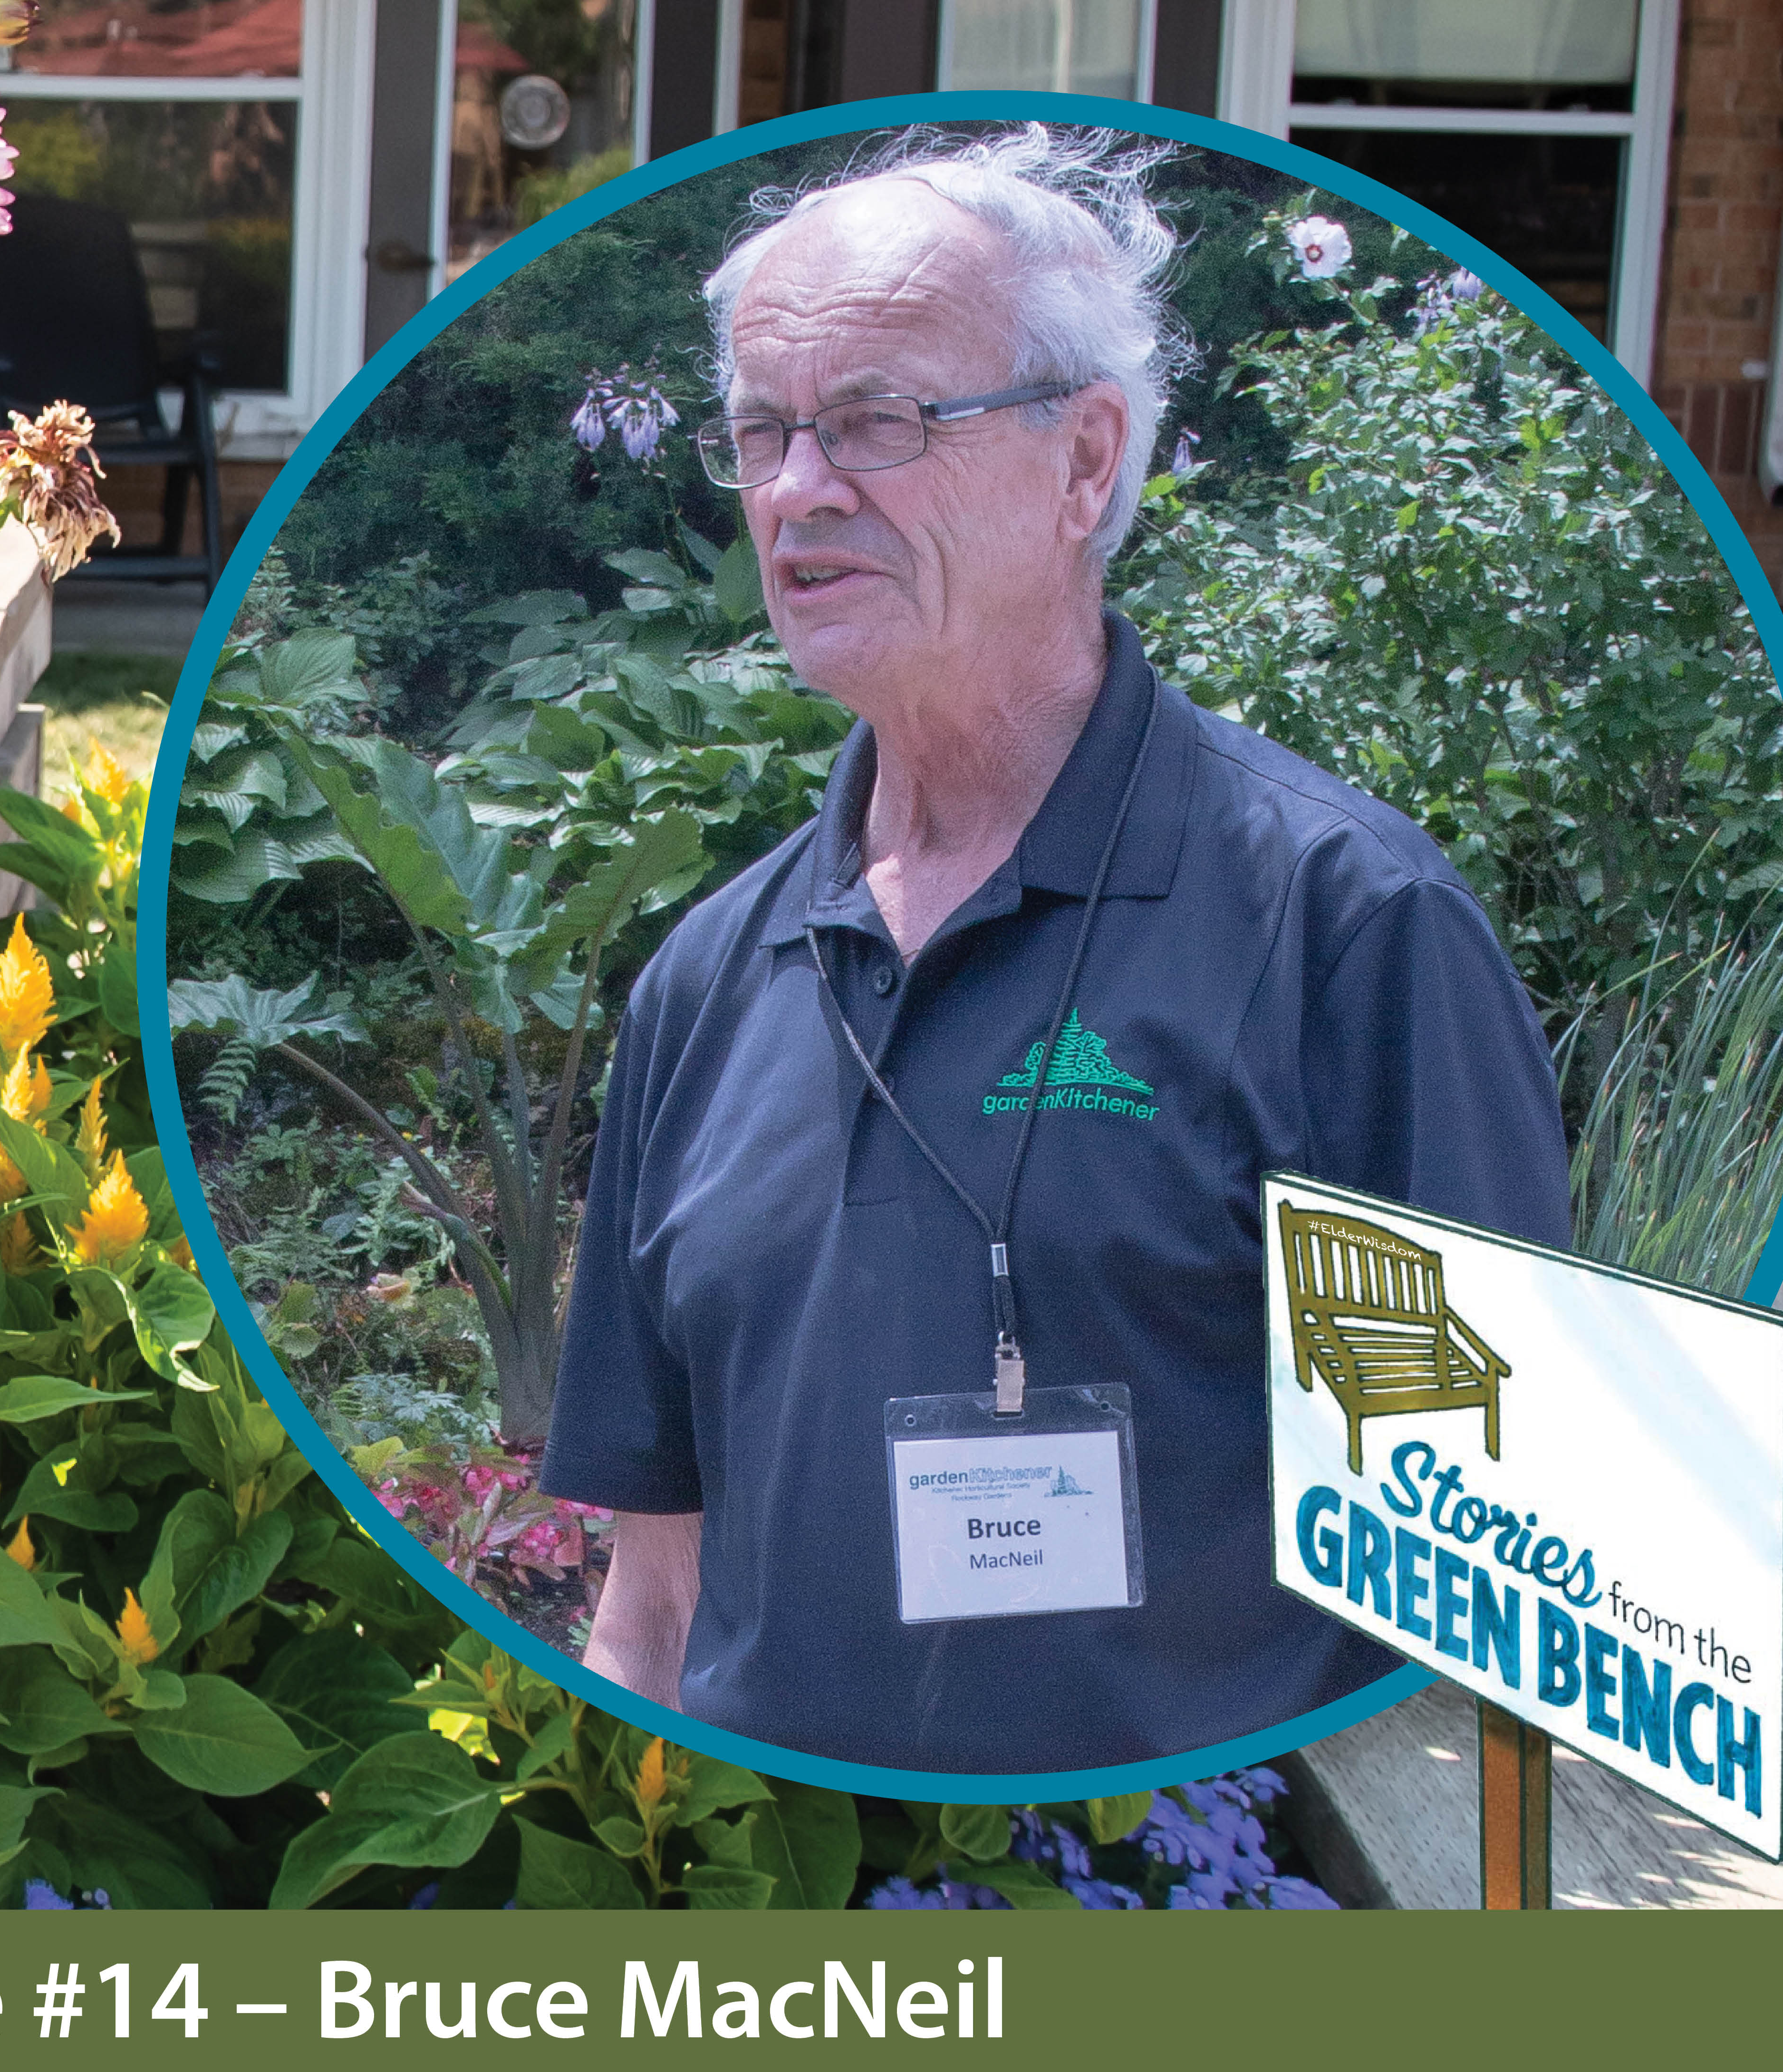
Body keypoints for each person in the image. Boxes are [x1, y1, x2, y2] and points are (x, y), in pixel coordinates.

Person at [538, 128, 1571, 1774]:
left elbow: (1504, 1592)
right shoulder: (708, 979)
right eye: (763, 433)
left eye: (879, 419)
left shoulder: (1346, 933)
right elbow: (653, 1592)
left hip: (1202, 1955)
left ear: (1087, 463)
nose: (800, 491)